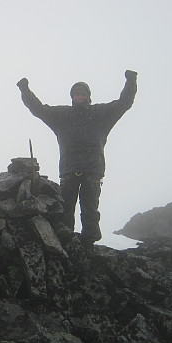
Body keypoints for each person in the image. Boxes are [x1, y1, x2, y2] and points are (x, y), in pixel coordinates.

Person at [17, 70, 137, 246]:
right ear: (72, 96)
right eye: (76, 94)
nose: (79, 97)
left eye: (82, 94)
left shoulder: (101, 114)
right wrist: (25, 91)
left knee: (90, 209)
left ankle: (89, 244)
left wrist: (131, 81)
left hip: (92, 170)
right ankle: (66, 241)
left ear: (88, 96)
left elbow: (124, 103)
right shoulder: (61, 116)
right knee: (66, 209)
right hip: (69, 170)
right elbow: (39, 109)